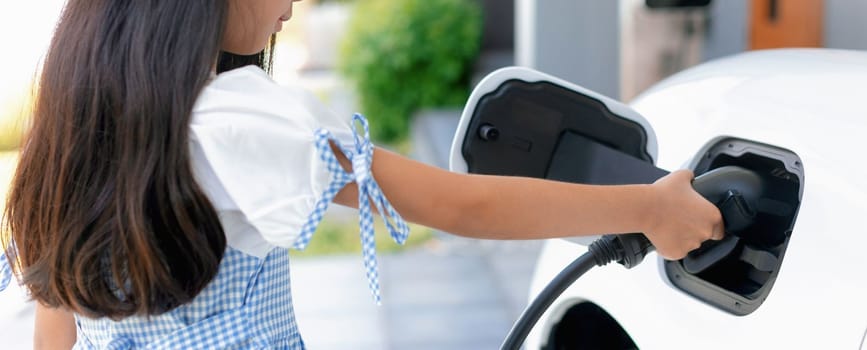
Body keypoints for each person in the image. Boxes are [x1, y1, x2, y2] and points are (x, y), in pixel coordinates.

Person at [0, 0, 723, 348]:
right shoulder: (236, 120)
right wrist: (647, 209)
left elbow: (53, 310)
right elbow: (459, 206)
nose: (287, 9)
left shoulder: (79, 120)